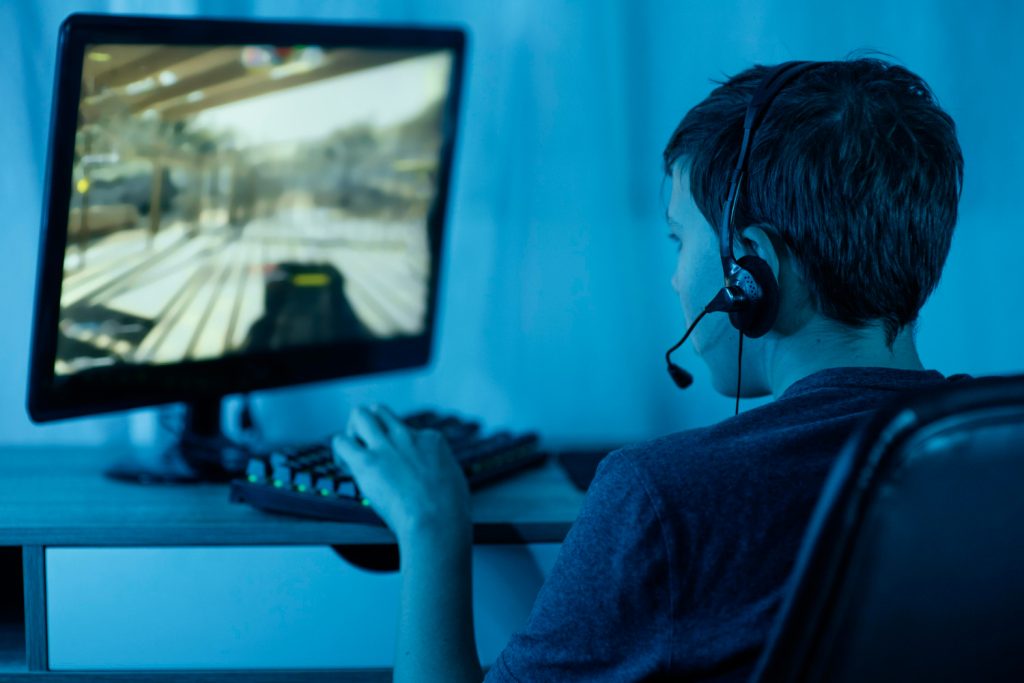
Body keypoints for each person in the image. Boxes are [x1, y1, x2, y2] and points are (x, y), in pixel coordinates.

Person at [332, 56, 965, 681]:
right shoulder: (996, 451)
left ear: (751, 272)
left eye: (678, 240)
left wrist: (429, 523)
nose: (674, 277)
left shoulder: (663, 495)